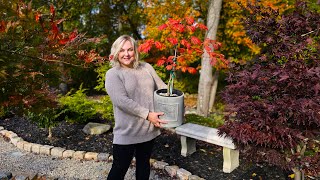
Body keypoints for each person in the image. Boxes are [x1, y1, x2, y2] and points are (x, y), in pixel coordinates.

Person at [105, 35, 168, 180]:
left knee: (143, 166)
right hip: (127, 131)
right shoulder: (113, 74)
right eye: (121, 50)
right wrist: (148, 114)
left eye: (130, 49)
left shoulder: (146, 67)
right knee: (118, 170)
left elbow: (162, 87)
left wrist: (175, 102)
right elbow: (121, 101)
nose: (126, 54)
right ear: (116, 53)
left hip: (148, 129)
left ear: (135, 51)